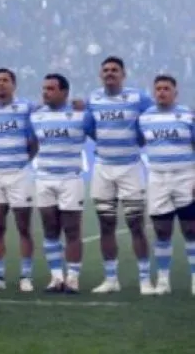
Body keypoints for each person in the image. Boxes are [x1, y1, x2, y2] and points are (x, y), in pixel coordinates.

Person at [86, 57, 153, 294]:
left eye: (115, 70)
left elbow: (151, 122)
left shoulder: (138, 97)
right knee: (106, 224)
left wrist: (138, 141)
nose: (110, 73)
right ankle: (111, 279)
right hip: (103, 168)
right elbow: (89, 128)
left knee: (136, 224)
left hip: (130, 167)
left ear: (123, 74)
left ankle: (145, 279)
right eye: (105, 70)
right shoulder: (93, 98)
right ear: (100, 75)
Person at [29, 73, 94, 294]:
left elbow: (97, 133)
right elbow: (32, 143)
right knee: (49, 228)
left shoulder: (80, 115)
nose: (45, 92)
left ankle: (73, 277)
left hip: (70, 178)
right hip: (44, 178)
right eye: (44, 88)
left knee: (72, 228)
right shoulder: (36, 116)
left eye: (51, 88)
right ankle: (56, 277)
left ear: (64, 92)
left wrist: (87, 107)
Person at [136, 74, 195, 296]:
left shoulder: (187, 116)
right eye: (158, 88)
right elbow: (140, 141)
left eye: (166, 88)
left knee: (191, 229)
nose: (161, 92)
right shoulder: (145, 118)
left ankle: (194, 278)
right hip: (158, 178)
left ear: (175, 92)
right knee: (162, 231)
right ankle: (163, 280)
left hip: (185, 176)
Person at [0, 68, 37, 292]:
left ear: (14, 85)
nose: (1, 84)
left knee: (23, 227)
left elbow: (34, 142)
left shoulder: (26, 109)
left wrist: (23, 161)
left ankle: (25, 276)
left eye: (5, 80)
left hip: (19, 174)